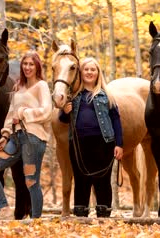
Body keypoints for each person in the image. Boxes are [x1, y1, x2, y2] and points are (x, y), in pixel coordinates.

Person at [0, 50, 52, 220]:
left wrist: (24, 112)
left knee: (31, 181)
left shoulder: (41, 86)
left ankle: (36, 221)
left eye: (31, 64)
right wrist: (5, 135)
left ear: (37, 66)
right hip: (15, 139)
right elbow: (11, 114)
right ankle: (4, 209)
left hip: (33, 138)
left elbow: (47, 111)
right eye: (25, 64)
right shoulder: (18, 87)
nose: (27, 67)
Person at [59, 57, 124, 218]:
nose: (89, 72)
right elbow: (63, 120)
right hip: (78, 144)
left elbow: (116, 119)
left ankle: (104, 216)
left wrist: (119, 144)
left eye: (92, 69)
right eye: (86, 69)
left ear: (97, 73)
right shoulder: (73, 95)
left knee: (102, 180)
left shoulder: (106, 94)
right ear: (81, 72)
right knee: (81, 179)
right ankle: (81, 215)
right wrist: (65, 112)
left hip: (103, 142)